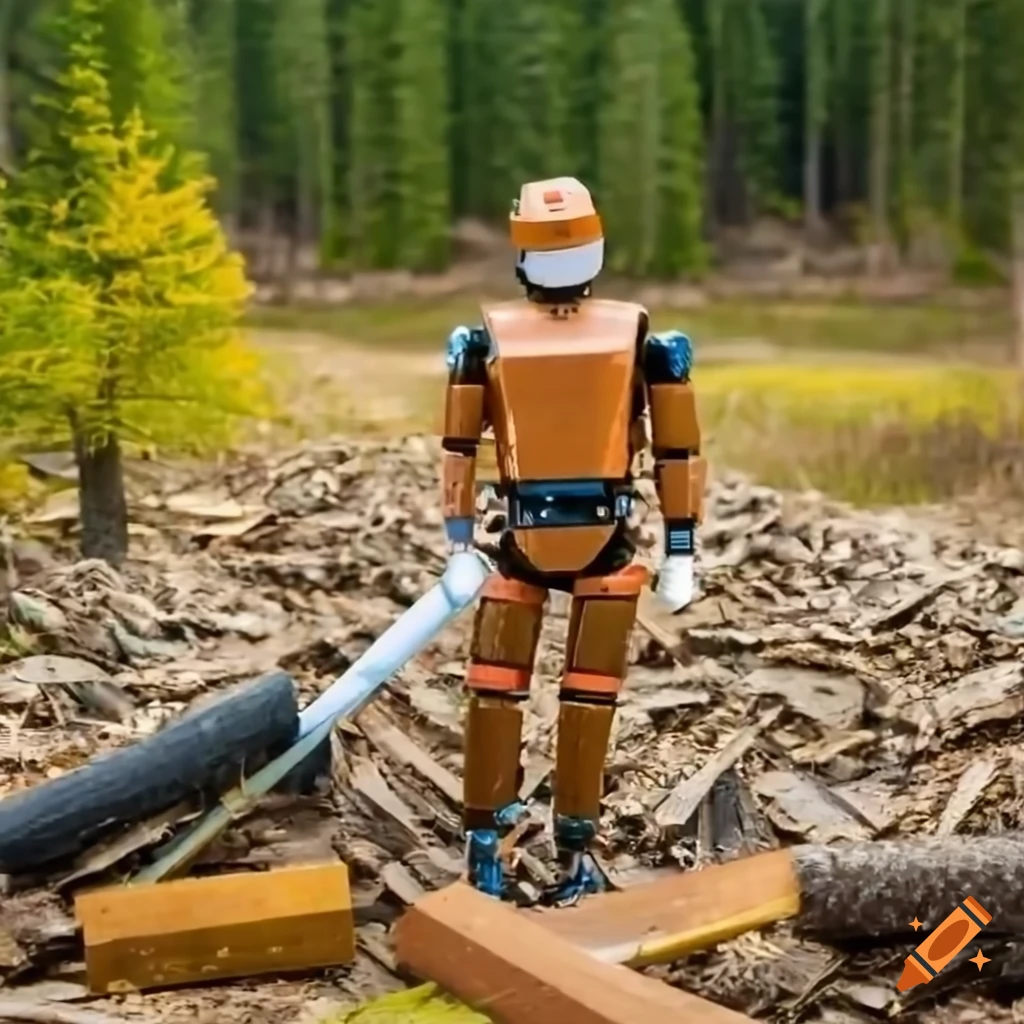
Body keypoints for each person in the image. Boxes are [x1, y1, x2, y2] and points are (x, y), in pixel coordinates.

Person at [439, 176, 706, 901]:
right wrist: (459, 542)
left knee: (561, 695)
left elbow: (678, 448)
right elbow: (458, 447)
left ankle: (559, 848)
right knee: (519, 694)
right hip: (549, 534)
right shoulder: (497, 340)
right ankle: (496, 842)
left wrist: (682, 549)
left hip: (570, 533)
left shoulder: (630, 337)